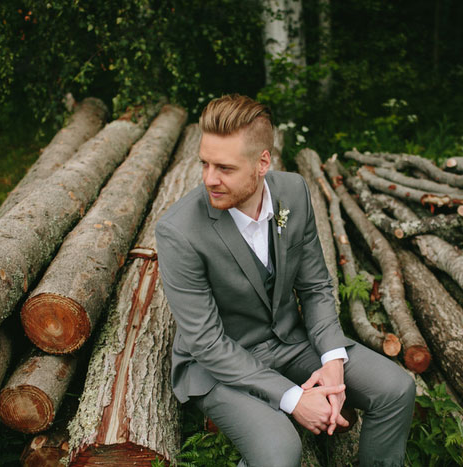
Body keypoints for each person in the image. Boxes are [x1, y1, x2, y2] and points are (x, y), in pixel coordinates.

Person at [155, 94, 415, 467]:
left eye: (225, 168)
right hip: (219, 364)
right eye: (205, 164)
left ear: (263, 162)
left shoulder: (292, 192)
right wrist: (294, 398)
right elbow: (206, 343)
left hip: (290, 342)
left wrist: (332, 361)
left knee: (396, 388)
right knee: (279, 451)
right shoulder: (179, 232)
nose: (209, 179)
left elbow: (315, 287)